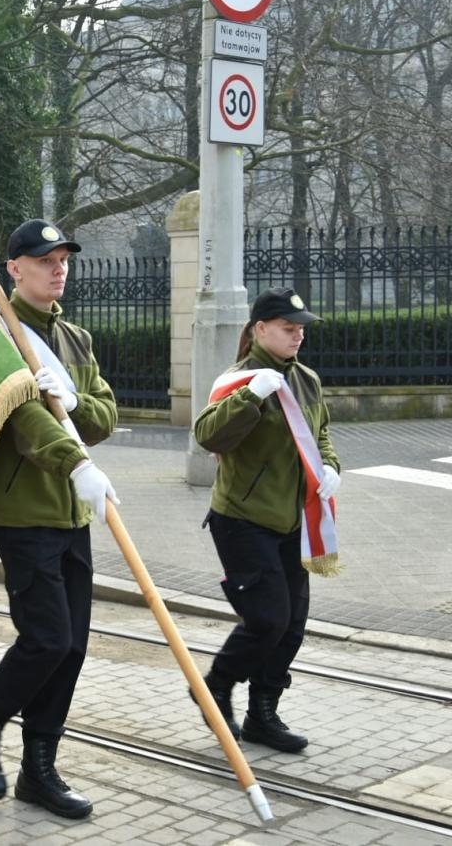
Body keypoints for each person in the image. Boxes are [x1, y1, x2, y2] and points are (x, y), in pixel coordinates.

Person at [0, 219, 119, 821]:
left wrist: (74, 402)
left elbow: (103, 412)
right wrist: (75, 461)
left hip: (73, 509)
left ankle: (39, 771)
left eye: (64, 258)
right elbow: (26, 426)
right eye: (45, 259)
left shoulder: (73, 338)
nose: (59, 268)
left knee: (70, 646)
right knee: (46, 636)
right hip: (23, 509)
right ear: (13, 268)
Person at [192, 286, 339, 754]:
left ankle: (262, 713)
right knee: (267, 619)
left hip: (293, 519)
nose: (298, 337)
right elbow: (207, 435)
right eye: (288, 329)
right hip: (243, 518)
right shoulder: (239, 379)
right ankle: (215, 685)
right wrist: (251, 397)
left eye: (301, 330)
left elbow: (322, 434)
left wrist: (332, 466)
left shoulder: (307, 380)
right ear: (260, 330)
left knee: (292, 624)